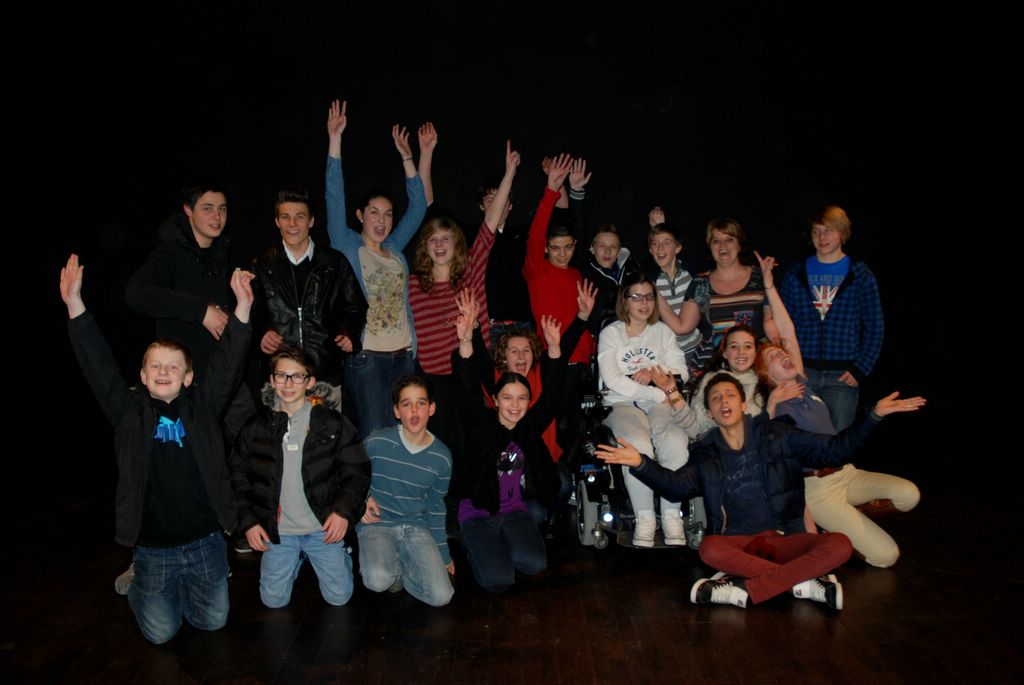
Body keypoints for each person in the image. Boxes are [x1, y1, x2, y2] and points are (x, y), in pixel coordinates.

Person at [597, 373, 925, 609]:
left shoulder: (779, 435)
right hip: (741, 544)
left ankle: (742, 588)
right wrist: (640, 463)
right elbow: (675, 487)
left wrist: (873, 416)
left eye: (729, 395)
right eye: (715, 398)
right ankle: (803, 583)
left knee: (839, 543)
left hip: (786, 539)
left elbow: (835, 450)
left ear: (743, 405)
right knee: (709, 548)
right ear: (709, 413)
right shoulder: (705, 455)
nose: (723, 401)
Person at [61, 254, 254, 644]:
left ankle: (182, 586)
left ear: (189, 377)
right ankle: (139, 582)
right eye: (155, 366)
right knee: (162, 633)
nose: (164, 371)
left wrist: (244, 307)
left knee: (212, 622)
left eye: (173, 366)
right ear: (143, 375)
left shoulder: (203, 407)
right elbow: (98, 366)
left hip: (204, 542)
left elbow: (229, 362)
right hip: (154, 548)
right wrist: (75, 305)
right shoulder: (128, 412)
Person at [755, 333, 921, 567]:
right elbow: (773, 450)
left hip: (846, 473)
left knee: (909, 495)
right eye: (773, 355)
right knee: (886, 557)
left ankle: (847, 516)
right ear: (765, 374)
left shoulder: (803, 384)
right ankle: (835, 525)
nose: (783, 354)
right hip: (819, 490)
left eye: (783, 352)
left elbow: (787, 332)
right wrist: (772, 402)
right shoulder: (780, 412)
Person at [230, 347, 369, 608]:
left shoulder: (332, 424)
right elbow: (238, 477)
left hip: (321, 528)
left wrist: (342, 512)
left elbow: (357, 470)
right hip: (280, 531)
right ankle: (295, 559)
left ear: (310, 382)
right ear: (272, 380)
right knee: (273, 600)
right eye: (281, 376)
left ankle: (339, 554)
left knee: (339, 597)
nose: (288, 383)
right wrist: (249, 523)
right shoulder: (254, 428)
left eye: (297, 376)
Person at [324, 99, 430, 436]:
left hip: (404, 357)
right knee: (375, 436)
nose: (382, 221)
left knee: (405, 435)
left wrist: (408, 158)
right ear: (360, 216)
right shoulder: (347, 245)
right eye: (374, 212)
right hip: (368, 359)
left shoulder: (395, 249)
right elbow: (334, 197)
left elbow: (419, 208)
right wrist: (335, 140)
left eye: (387, 214)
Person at [407, 141, 518, 452]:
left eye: (446, 239)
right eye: (433, 240)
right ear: (425, 246)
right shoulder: (414, 284)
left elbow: (490, 225)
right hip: (433, 379)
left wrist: (509, 174)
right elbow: (423, 207)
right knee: (439, 447)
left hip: (468, 374)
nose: (440, 245)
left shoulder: (470, 271)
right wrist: (422, 156)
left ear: (456, 243)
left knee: (474, 444)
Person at [451, 292, 563, 592]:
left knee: (535, 564)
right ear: (496, 399)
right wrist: (466, 341)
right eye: (508, 398)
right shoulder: (482, 423)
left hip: (512, 510)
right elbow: (466, 387)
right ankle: (476, 543)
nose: (515, 405)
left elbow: (552, 398)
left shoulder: (527, 427)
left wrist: (553, 348)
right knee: (499, 580)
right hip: (478, 513)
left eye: (522, 398)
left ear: (528, 401)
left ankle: (503, 542)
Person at [597, 273, 690, 547]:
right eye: (636, 297)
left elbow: (681, 372)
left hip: (660, 402)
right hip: (622, 401)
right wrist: (653, 389)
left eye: (649, 296)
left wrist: (652, 373)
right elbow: (612, 380)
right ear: (624, 301)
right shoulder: (611, 333)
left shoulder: (662, 332)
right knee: (637, 444)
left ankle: (671, 515)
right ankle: (645, 517)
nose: (644, 303)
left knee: (675, 439)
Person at [253, 188, 367, 400]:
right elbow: (250, 312)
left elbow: (356, 305)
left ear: (311, 221)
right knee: (280, 424)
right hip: (280, 377)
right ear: (277, 222)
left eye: (300, 217)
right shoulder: (262, 264)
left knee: (325, 423)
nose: (292, 224)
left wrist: (349, 332)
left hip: (324, 374)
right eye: (285, 217)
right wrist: (262, 333)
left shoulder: (334, 262)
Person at [780, 206, 883, 431]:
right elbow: (782, 324)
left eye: (829, 230)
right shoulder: (796, 273)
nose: (822, 237)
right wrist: (789, 365)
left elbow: (875, 326)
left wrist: (860, 368)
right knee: (800, 440)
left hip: (842, 377)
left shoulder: (860, 274)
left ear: (842, 233)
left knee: (838, 442)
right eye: (816, 231)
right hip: (803, 372)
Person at [358, 376, 454, 606]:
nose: (414, 410)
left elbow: (435, 505)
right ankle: (388, 566)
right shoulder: (377, 442)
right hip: (377, 523)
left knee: (442, 596)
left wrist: (443, 553)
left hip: (415, 525)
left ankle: (400, 569)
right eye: (406, 403)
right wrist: (361, 503)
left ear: (432, 408)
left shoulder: (442, 457)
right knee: (377, 581)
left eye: (421, 403)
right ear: (396, 411)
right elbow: (352, 477)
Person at [658, 218, 778, 363]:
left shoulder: (760, 276)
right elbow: (681, 327)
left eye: (729, 239)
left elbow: (771, 321)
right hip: (717, 364)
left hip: (757, 362)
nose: (722, 246)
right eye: (716, 241)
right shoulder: (701, 283)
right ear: (710, 247)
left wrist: (778, 346)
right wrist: (653, 291)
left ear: (740, 245)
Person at [646, 208, 703, 371]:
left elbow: (695, 254)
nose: (660, 248)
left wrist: (661, 226)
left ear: (678, 248)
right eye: (655, 244)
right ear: (650, 250)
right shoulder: (650, 279)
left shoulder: (690, 271)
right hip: (665, 354)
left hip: (694, 348)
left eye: (666, 243)